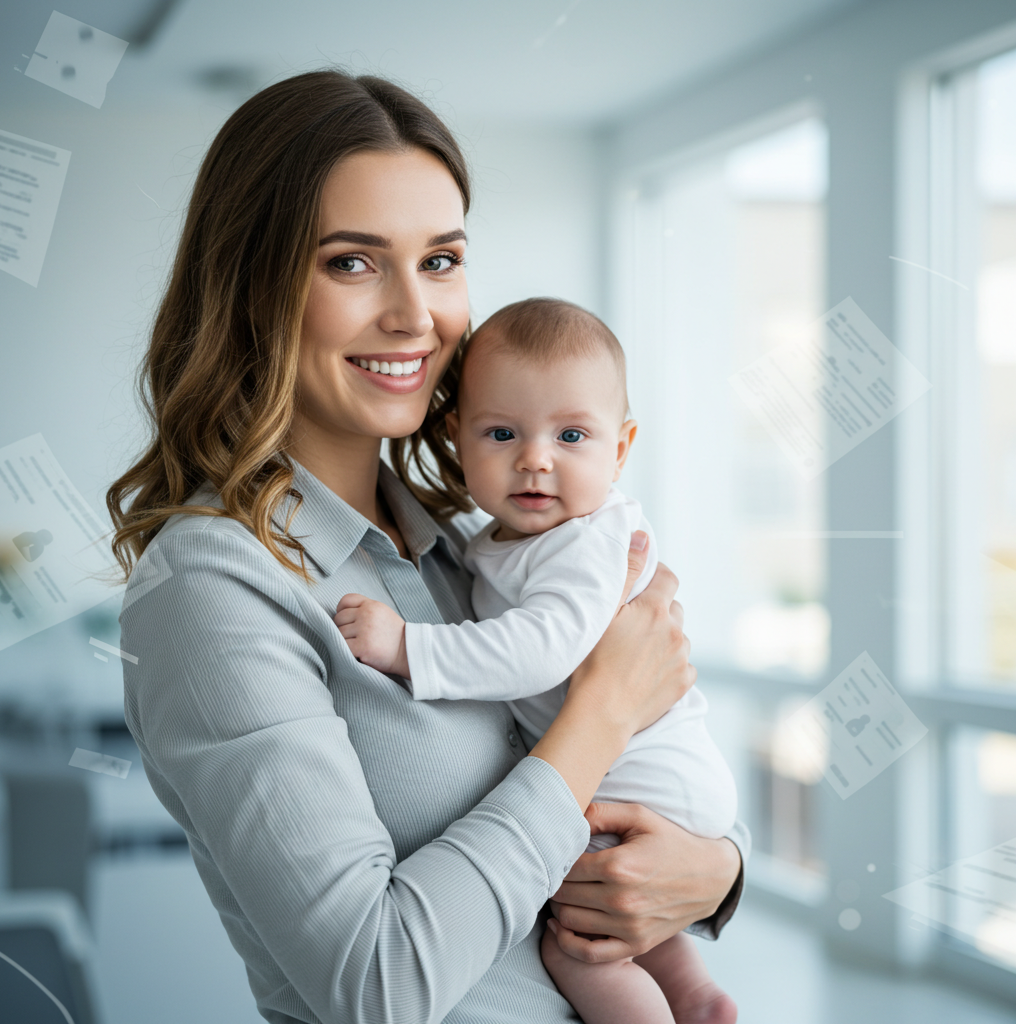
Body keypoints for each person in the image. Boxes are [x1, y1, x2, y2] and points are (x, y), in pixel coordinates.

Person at [106, 69, 749, 1024]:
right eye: (352, 263)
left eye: (441, 259)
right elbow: (377, 984)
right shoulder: (212, 586)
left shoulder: (464, 542)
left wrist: (717, 870)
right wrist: (606, 709)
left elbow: (643, 773)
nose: (416, 314)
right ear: (253, 288)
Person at [335, 297, 738, 1024]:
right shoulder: (497, 539)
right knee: (617, 919)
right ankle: (694, 995)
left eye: (571, 435)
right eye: (502, 433)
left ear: (620, 448)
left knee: (575, 943)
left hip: (639, 782)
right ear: (457, 438)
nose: (535, 459)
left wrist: (407, 647)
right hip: (648, 779)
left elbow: (540, 650)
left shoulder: (585, 541)